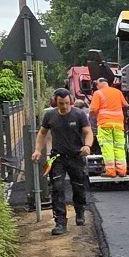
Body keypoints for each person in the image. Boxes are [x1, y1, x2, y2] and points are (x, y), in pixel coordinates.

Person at [34, 88, 91, 235]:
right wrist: (37, 150)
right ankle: (60, 222)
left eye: (66, 103)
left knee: (78, 186)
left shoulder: (79, 114)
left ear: (71, 101)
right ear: (55, 102)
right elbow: (42, 133)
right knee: (57, 187)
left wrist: (87, 145)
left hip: (76, 156)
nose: (64, 106)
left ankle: (80, 211)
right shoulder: (50, 115)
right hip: (57, 157)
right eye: (61, 103)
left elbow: (88, 132)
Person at [87, 77, 129, 177]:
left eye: (96, 85)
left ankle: (111, 172)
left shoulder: (98, 93)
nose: (96, 87)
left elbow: (93, 110)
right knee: (119, 147)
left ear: (99, 84)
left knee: (107, 147)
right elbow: (126, 105)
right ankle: (122, 171)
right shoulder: (117, 92)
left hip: (105, 124)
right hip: (118, 124)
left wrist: (90, 118)